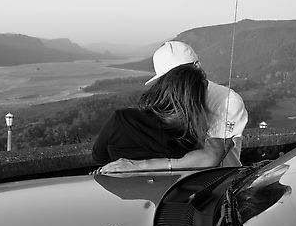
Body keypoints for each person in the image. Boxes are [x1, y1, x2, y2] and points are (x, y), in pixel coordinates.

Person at [94, 41, 248, 174]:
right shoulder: (171, 103)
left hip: (222, 181)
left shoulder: (227, 100)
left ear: (197, 67)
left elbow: (212, 156)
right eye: (168, 79)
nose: (174, 83)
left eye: (178, 75)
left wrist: (139, 166)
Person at [92, 62, 209, 170]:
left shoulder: (121, 119)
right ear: (197, 101)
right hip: (168, 191)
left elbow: (98, 156)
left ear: (163, 88)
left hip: (121, 188)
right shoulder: (188, 138)